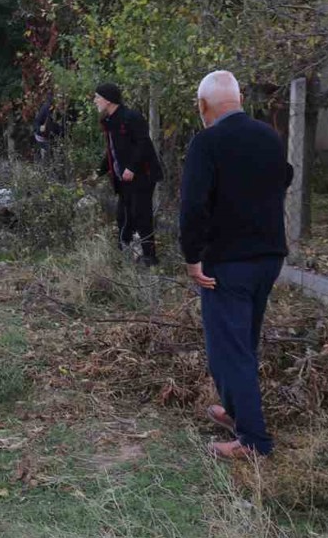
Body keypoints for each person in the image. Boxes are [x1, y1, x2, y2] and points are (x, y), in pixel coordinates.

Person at [179, 70, 293, 460]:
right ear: (239, 101)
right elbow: (286, 177)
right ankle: (234, 413)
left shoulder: (207, 143)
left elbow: (193, 207)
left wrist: (192, 258)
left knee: (230, 350)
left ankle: (254, 442)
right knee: (243, 342)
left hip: (227, 263)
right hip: (269, 258)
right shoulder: (269, 137)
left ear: (203, 106)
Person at [92, 83, 162, 266]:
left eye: (97, 97)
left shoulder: (131, 117)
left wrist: (131, 167)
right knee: (123, 216)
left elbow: (143, 144)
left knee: (141, 215)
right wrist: (98, 172)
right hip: (123, 180)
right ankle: (124, 254)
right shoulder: (109, 121)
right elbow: (112, 151)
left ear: (107, 100)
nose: (95, 101)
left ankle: (150, 257)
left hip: (142, 176)